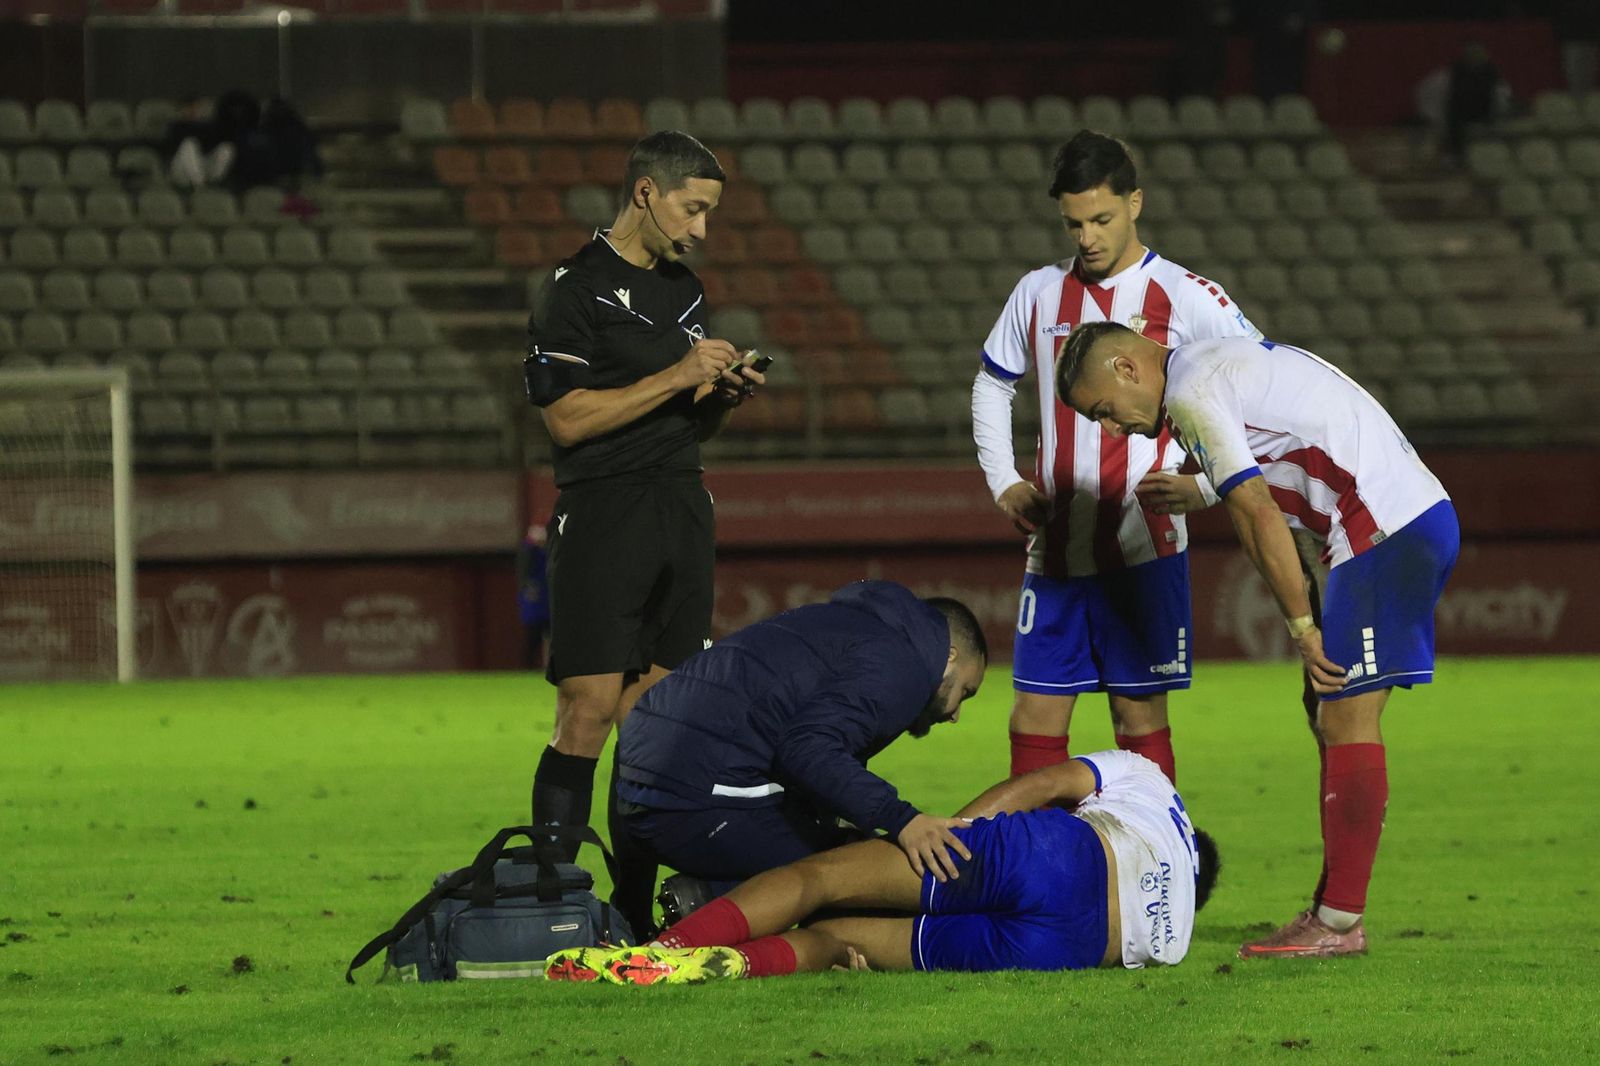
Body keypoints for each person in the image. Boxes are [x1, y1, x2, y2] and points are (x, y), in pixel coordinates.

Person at [1057, 323, 1458, 958]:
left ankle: (1337, 923)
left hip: (1384, 529)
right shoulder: (1211, 364)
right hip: (1398, 521)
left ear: (1127, 367)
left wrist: (1302, 629)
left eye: (1104, 411)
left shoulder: (1190, 389)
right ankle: (1335, 907)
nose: (1112, 430)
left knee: (1346, 718)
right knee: (1327, 713)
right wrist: (1200, 488)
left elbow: (1256, 512)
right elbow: (1287, 458)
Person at [971, 129, 1262, 790]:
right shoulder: (1039, 293)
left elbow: (1259, 391)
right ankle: (1042, 870)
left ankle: (1155, 863)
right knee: (1034, 715)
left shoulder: (1187, 296)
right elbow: (992, 383)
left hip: (1146, 549)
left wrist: (1208, 488)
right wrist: (1004, 481)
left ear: (1137, 202)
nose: (1088, 237)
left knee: (1137, 715)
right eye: (1074, 224)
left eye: (1101, 219)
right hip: (1056, 551)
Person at [523, 130, 765, 862]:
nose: (701, 230)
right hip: (602, 511)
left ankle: (638, 906)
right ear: (645, 193)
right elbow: (565, 418)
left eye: (709, 215)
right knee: (589, 708)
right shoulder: (574, 287)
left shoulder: (685, 291)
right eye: (692, 210)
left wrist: (720, 396)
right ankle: (550, 892)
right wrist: (673, 376)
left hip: (681, 507)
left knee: (659, 723)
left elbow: (689, 420)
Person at [546, 749, 1219, 983]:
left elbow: (1045, 785)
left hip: (1062, 859)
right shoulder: (1180, 935)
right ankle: (737, 965)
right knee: (841, 942)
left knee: (825, 877)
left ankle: (664, 951)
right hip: (1065, 947)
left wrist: (954, 837)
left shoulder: (1154, 785)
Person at [609, 581, 988, 935]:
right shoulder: (905, 666)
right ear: (949, 656)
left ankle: (637, 915)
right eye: (966, 692)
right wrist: (904, 820)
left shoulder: (853, 626)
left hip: (634, 792)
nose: (955, 714)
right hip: (690, 803)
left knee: (837, 837)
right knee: (850, 867)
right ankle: (707, 899)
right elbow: (808, 747)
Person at [515, 521, 550, 669]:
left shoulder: (547, 554)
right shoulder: (529, 553)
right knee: (533, 639)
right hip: (536, 606)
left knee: (552, 639)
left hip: (548, 605)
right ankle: (527, 667)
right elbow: (523, 568)